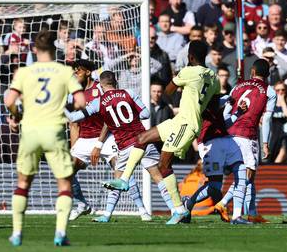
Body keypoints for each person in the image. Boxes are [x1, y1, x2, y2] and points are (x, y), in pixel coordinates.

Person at [103, 41, 219, 225]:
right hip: (180, 121)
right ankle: (124, 179)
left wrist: (181, 90)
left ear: (190, 57)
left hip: (185, 124)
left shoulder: (188, 72)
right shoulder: (214, 77)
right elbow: (212, 104)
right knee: (141, 138)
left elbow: (167, 91)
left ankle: (179, 209)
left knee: (164, 165)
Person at [4, 29, 86, 247]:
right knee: (64, 184)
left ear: (34, 49)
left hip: (30, 131)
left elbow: (9, 99)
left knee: (23, 183)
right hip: (54, 131)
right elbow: (81, 101)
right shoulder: (63, 71)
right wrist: (68, 105)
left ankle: (17, 233)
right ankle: (60, 233)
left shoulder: (24, 72)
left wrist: (16, 114)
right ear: (54, 48)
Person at [66, 70, 174, 223]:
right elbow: (145, 114)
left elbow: (73, 118)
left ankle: (107, 215)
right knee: (158, 176)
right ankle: (175, 210)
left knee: (120, 179)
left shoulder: (100, 101)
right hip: (142, 139)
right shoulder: (128, 93)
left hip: (124, 144)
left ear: (102, 86)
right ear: (115, 82)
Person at [216, 59, 276, 223]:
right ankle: (224, 204)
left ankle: (252, 212)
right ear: (268, 75)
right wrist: (265, 143)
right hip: (248, 136)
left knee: (246, 176)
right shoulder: (269, 91)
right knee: (247, 176)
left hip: (230, 135)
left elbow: (226, 113)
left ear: (253, 72)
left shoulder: (237, 86)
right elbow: (267, 119)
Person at [183, 95, 249, 224]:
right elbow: (216, 101)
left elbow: (225, 124)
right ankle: (189, 203)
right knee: (215, 186)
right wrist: (230, 97)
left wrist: (238, 112)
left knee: (242, 170)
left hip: (226, 141)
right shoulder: (200, 100)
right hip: (209, 144)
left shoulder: (215, 98)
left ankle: (237, 216)